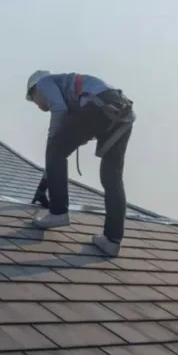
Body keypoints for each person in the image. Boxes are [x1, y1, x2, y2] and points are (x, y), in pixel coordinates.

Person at [24, 70, 135, 256]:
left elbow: (59, 110)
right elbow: (62, 152)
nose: (37, 105)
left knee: (55, 148)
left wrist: (53, 142)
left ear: (35, 89)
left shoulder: (44, 82)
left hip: (101, 105)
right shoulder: (71, 92)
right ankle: (112, 240)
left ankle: (58, 212)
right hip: (123, 112)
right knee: (111, 178)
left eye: (34, 99)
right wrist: (44, 185)